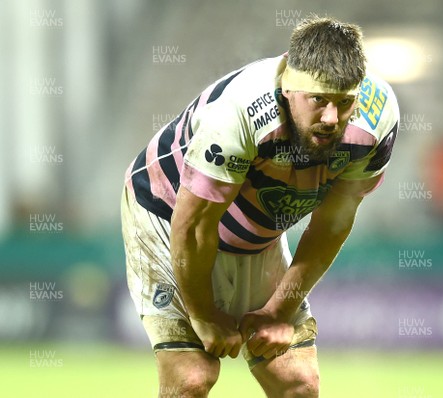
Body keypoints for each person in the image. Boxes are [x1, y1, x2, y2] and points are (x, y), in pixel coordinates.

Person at [121, 15, 399, 398]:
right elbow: (195, 227)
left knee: (298, 384)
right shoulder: (240, 111)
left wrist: (279, 311)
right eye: (318, 100)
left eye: (344, 102)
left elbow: (332, 224)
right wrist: (203, 316)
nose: (332, 119)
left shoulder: (377, 118)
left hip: (256, 228)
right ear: (289, 89)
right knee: (192, 378)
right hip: (167, 213)